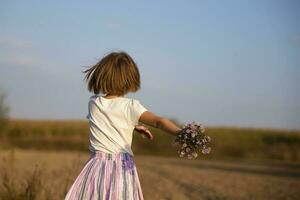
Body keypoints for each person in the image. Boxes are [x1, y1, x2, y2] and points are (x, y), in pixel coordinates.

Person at [64, 51, 182, 200]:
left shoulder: (94, 103)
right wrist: (182, 133)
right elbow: (159, 122)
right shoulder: (132, 106)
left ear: (102, 75)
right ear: (131, 78)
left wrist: (133, 125)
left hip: (95, 169)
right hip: (121, 170)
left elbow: (109, 119)